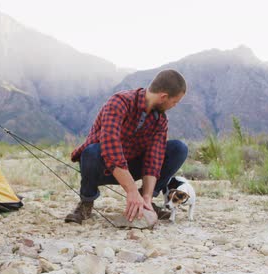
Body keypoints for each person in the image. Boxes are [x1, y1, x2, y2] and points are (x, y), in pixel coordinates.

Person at [65, 69, 188, 225]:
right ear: (163, 97)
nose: (174, 106)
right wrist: (131, 191)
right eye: (175, 102)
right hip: (104, 166)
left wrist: (146, 196)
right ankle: (86, 203)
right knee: (91, 152)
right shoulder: (119, 102)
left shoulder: (160, 120)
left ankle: (144, 203)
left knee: (179, 148)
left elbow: (154, 159)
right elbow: (111, 148)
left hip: (133, 166)